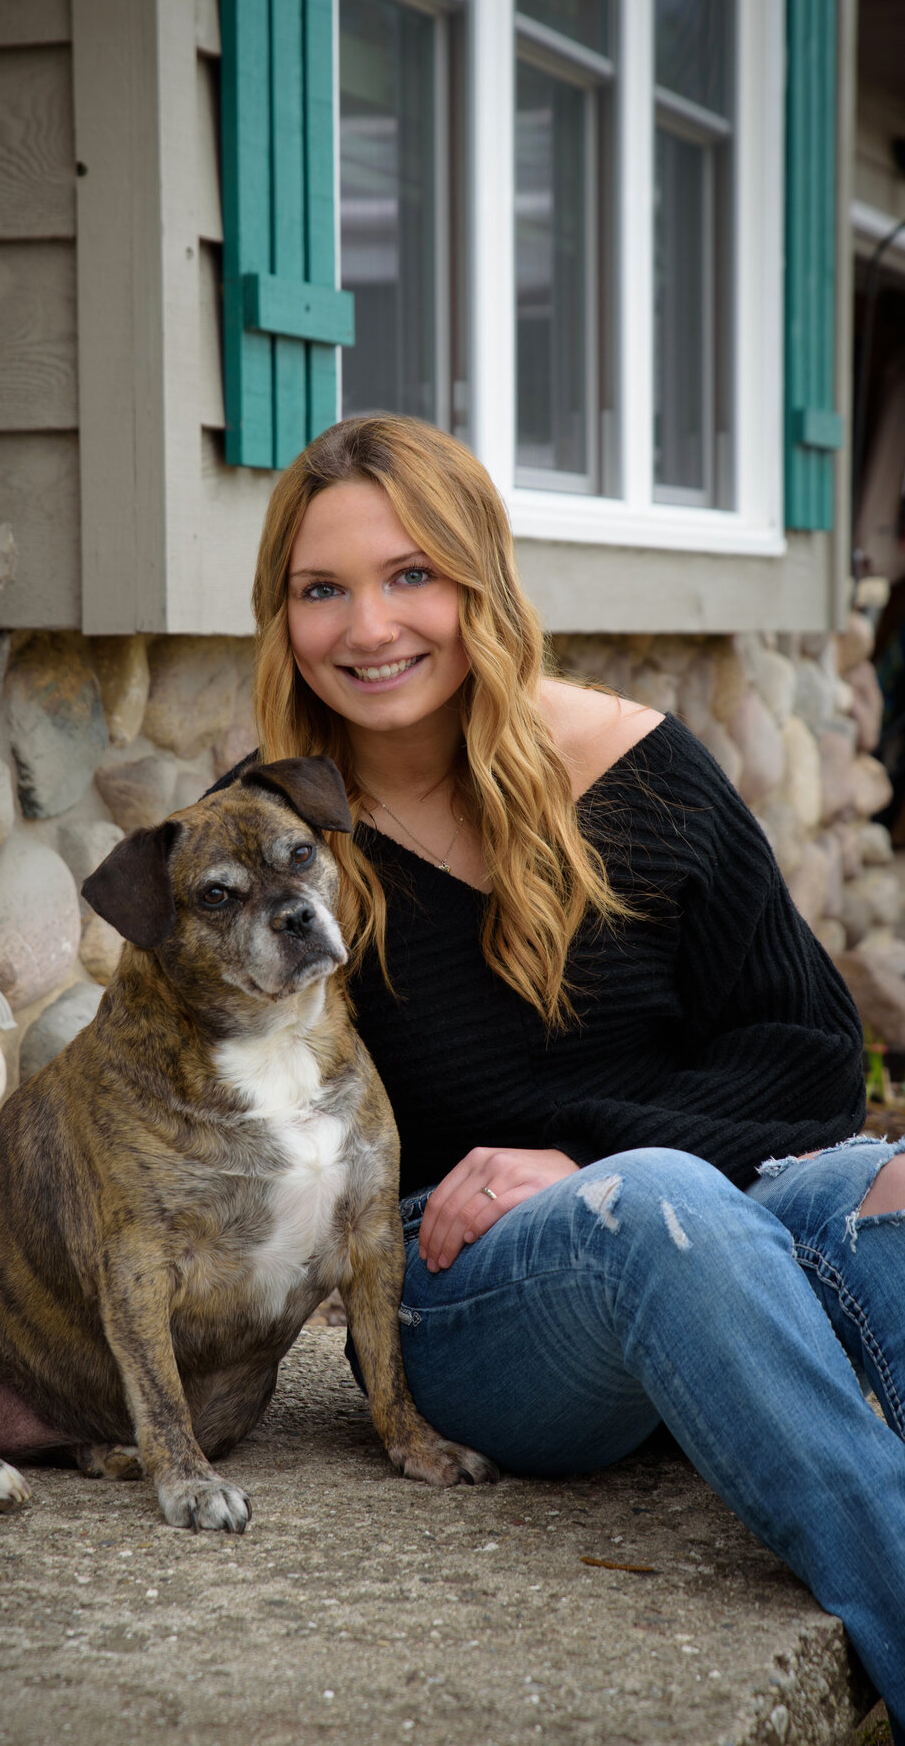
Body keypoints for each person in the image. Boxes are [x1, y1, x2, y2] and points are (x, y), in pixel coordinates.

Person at [214, 414, 905, 1728]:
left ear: (480, 580)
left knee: (891, 1189)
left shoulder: (635, 768)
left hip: (683, 1212)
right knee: (653, 1202)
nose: (369, 626)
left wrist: (580, 1150)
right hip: (459, 1302)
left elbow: (811, 1051)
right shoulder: (269, 844)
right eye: (323, 589)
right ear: (282, 614)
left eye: (410, 573)